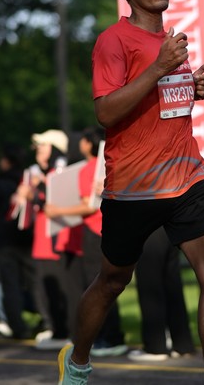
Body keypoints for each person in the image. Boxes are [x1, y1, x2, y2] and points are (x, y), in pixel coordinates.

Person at [57, 0, 204, 385]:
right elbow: (106, 112)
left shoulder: (169, 43)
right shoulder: (112, 41)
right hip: (134, 187)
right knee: (112, 280)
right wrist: (159, 69)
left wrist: (190, 89)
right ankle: (77, 361)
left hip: (187, 176)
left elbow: (162, 106)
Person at [44, 126, 127, 358]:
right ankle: (113, 336)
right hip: (111, 229)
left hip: (93, 232)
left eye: (82, 140)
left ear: (89, 144)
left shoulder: (88, 169)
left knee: (98, 287)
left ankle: (107, 338)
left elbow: (88, 206)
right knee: (111, 283)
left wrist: (57, 211)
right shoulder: (112, 163)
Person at [13, 129, 83, 350]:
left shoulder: (62, 173)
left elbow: (56, 201)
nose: (38, 150)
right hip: (43, 240)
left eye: (43, 146)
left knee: (63, 288)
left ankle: (68, 331)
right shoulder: (39, 175)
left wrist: (35, 194)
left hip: (58, 239)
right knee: (46, 288)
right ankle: (58, 329)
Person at [0, 142, 35, 340]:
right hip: (27, 237)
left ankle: (18, 326)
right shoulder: (27, 182)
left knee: (11, 284)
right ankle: (48, 320)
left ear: (5, 161)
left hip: (4, 240)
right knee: (34, 281)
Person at [128, 226, 195, 362]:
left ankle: (155, 347)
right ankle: (182, 345)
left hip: (148, 225)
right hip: (170, 227)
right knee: (172, 284)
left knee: (149, 284)